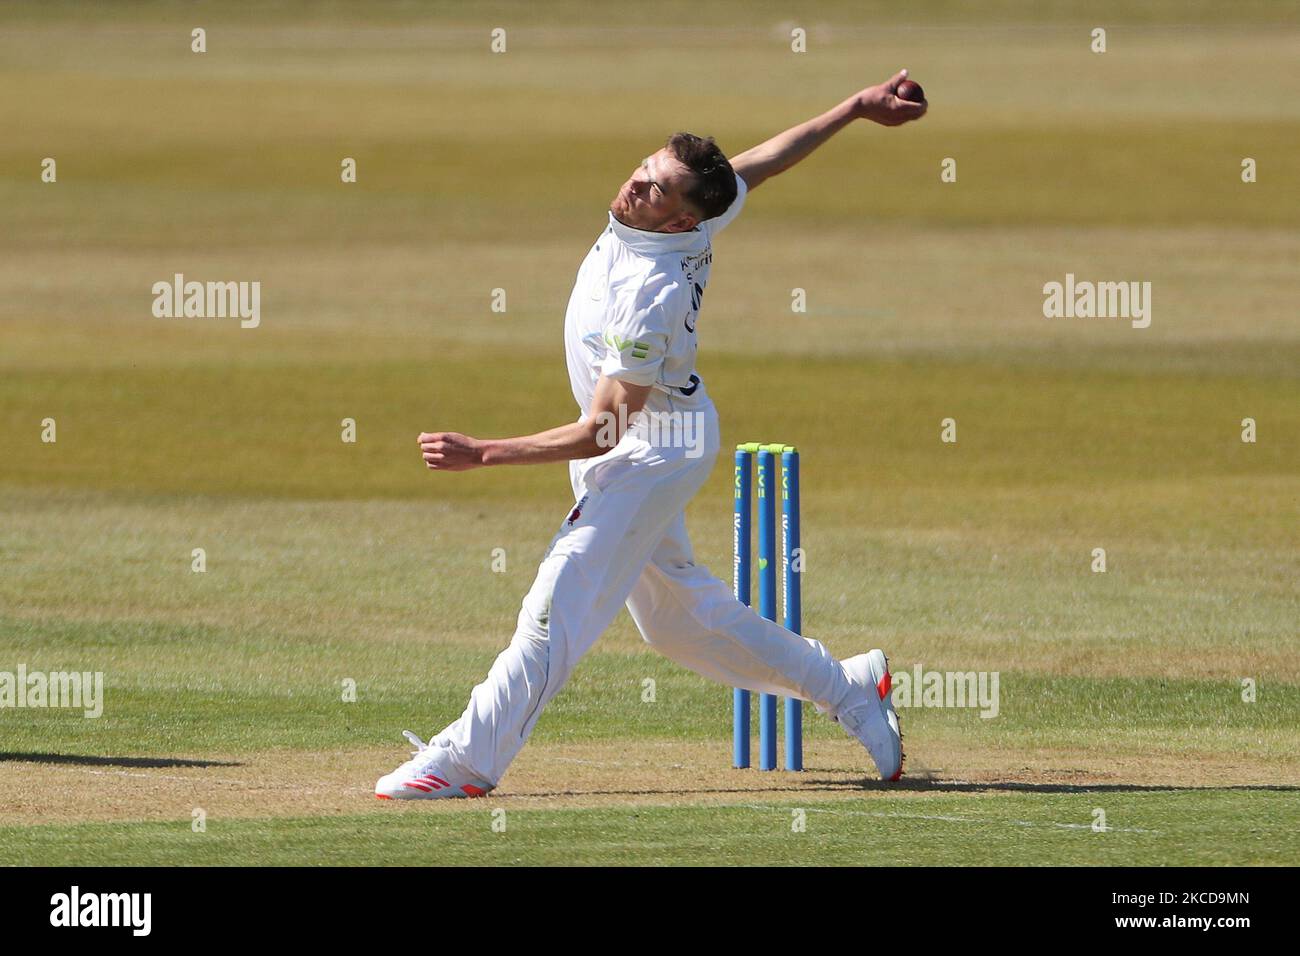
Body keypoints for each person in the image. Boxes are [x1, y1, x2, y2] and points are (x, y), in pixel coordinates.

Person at [376, 70, 927, 799]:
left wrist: (485, 452)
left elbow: (603, 430)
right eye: (646, 170)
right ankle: (849, 685)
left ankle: (466, 761)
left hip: (648, 450)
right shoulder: (696, 212)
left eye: (656, 190)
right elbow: (763, 160)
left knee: (557, 602)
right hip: (663, 432)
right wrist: (855, 109)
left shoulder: (651, 294)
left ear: (678, 222)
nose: (637, 186)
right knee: (679, 626)